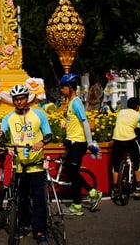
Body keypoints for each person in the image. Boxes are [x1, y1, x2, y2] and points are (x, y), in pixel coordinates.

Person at [0, 85, 52, 244]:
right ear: (13, 101)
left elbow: (48, 134)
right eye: (16, 99)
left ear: (27, 98)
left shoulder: (39, 115)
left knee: (38, 198)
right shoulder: (9, 117)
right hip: (19, 165)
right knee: (22, 199)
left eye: (22, 98)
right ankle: (25, 225)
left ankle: (40, 231)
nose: (19, 102)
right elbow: (1, 131)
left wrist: (41, 142)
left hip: (36, 164)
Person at [58, 73, 103, 216]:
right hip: (72, 142)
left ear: (70, 88)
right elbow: (75, 121)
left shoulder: (76, 102)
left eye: (64, 87)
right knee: (69, 170)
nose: (62, 90)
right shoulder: (70, 103)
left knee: (72, 172)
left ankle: (79, 203)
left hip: (78, 143)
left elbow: (85, 122)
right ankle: (91, 192)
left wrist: (89, 143)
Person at [110, 97, 140, 198]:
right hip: (130, 139)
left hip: (117, 139)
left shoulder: (121, 112)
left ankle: (115, 188)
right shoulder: (138, 115)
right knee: (137, 160)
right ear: (137, 106)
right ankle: (139, 187)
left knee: (116, 165)